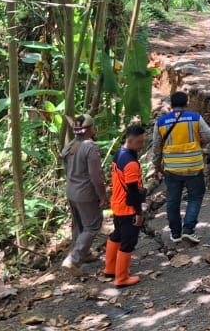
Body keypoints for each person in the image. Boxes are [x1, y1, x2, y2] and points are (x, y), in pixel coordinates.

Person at [150, 91, 210, 244]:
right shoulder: (195, 118)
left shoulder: (161, 122)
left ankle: (176, 233)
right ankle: (188, 229)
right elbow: (208, 135)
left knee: (173, 200)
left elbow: (156, 147)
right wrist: (199, 145)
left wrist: (156, 165)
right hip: (194, 166)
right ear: (187, 104)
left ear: (171, 105)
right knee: (196, 197)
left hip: (172, 168)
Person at [60, 113, 109, 271]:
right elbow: (95, 176)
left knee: (79, 225)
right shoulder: (90, 147)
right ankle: (74, 260)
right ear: (89, 129)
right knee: (92, 225)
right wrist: (102, 196)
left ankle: (83, 253)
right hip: (85, 192)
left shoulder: (70, 146)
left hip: (71, 191)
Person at [103, 123, 147, 287]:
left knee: (117, 235)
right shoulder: (131, 163)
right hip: (127, 207)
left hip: (117, 203)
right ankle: (121, 278)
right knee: (128, 241)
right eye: (140, 142)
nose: (142, 145)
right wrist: (139, 212)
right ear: (132, 140)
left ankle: (110, 268)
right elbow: (133, 191)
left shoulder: (118, 154)